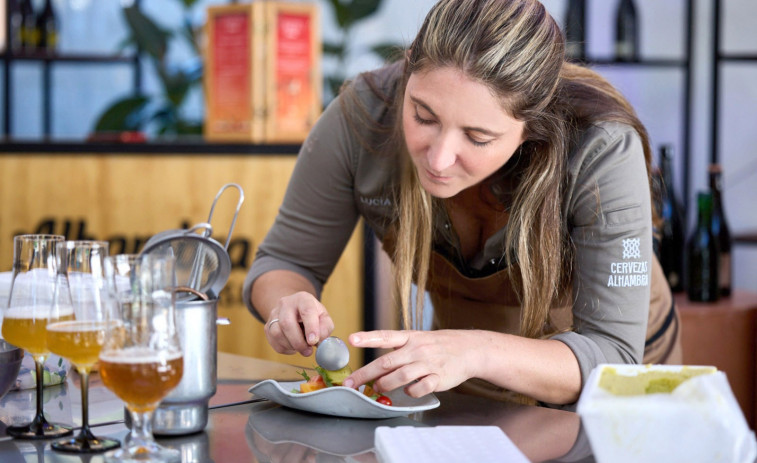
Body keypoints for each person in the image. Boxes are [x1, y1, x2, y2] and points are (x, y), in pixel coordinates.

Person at [243, 0, 681, 408]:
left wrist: (474, 350)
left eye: (477, 137)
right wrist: (288, 302)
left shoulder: (600, 148)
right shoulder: (363, 117)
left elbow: (614, 357)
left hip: (616, 389)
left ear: (533, 124)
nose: (437, 159)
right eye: (423, 116)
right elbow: (283, 259)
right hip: (462, 375)